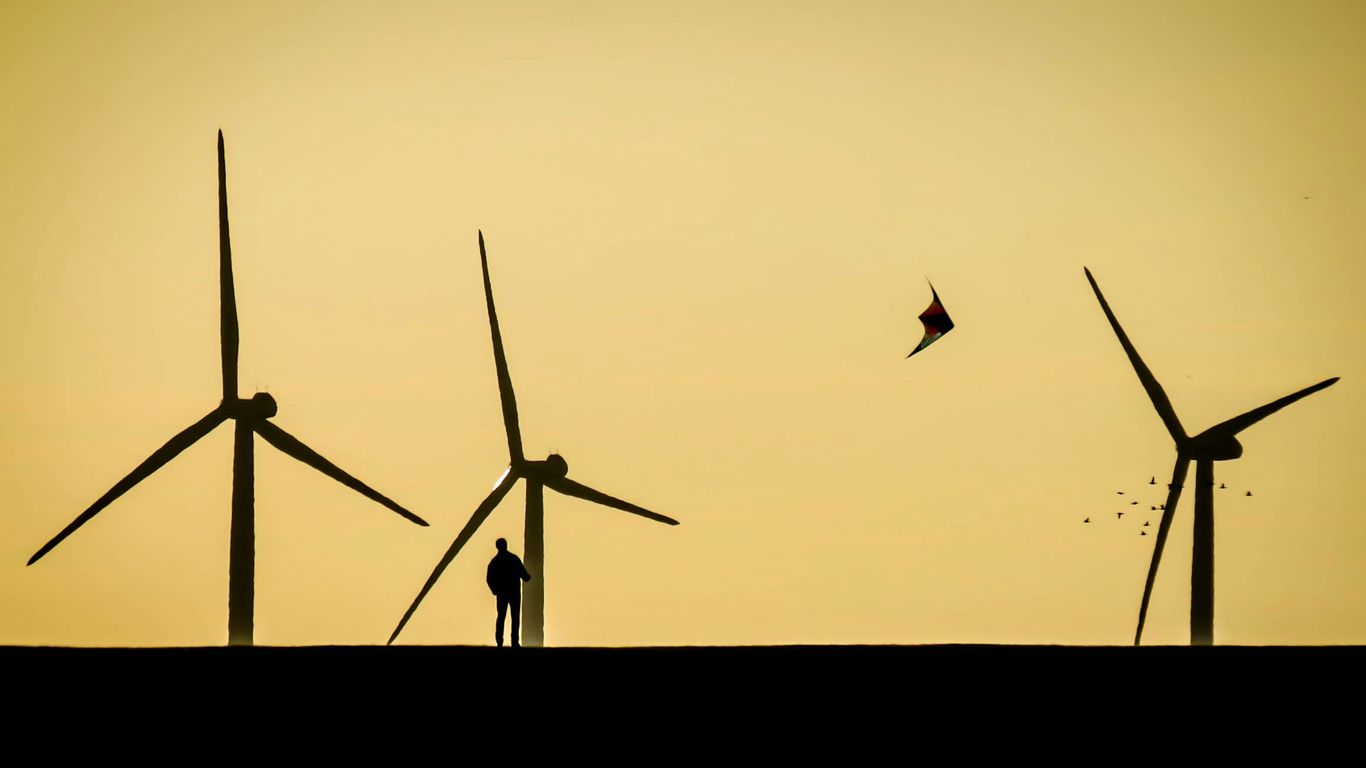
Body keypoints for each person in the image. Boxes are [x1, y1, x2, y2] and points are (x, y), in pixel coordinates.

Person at [486, 538, 531, 647]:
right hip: (514, 593)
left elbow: (489, 578)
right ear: (506, 545)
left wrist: (494, 590)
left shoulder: (494, 562)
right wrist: (528, 576)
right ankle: (514, 641)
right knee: (515, 617)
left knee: (501, 616)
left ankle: (499, 642)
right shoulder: (514, 559)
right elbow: (525, 576)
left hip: (502, 593)